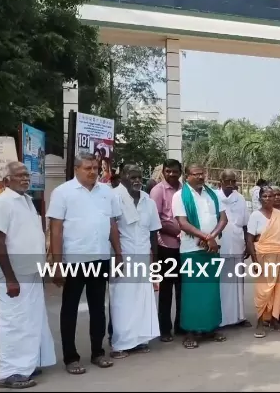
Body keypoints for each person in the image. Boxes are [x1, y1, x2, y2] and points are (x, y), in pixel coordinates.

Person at [47, 153, 123, 374]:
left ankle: (98, 352)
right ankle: (71, 358)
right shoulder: (63, 192)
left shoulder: (106, 192)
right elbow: (56, 230)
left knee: (98, 308)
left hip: (100, 258)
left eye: (95, 168)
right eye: (87, 168)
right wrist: (57, 264)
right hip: (74, 260)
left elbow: (112, 225)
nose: (92, 172)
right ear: (76, 169)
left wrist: (118, 254)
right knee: (70, 309)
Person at [0, 162, 56, 388]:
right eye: (19, 175)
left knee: (31, 320)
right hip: (14, 275)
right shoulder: (2, 202)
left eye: (26, 174)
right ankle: (8, 373)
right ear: (6, 181)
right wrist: (10, 278)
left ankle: (25, 365)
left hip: (32, 272)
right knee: (14, 322)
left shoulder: (27, 200)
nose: (25, 178)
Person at [171, 164, 229, 349]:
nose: (200, 177)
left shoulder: (213, 194)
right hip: (191, 250)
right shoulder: (179, 196)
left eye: (202, 173)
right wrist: (205, 237)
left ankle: (210, 328)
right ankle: (190, 331)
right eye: (196, 174)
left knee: (211, 290)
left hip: (212, 248)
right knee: (192, 292)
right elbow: (182, 223)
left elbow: (223, 219)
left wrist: (211, 237)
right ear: (187, 176)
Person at [108, 165, 161, 359]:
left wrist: (154, 263)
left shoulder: (148, 201)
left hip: (143, 257)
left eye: (139, 177)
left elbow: (153, 233)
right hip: (122, 256)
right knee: (121, 301)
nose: (137, 180)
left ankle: (139, 341)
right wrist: (117, 256)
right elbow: (110, 228)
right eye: (132, 177)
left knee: (142, 300)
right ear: (123, 177)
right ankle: (120, 344)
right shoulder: (113, 197)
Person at [246, 186, 280, 338]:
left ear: (274, 198)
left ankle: (274, 320)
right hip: (262, 255)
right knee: (263, 291)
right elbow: (249, 239)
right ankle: (260, 322)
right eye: (265, 196)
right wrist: (254, 261)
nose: (268, 198)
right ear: (260, 198)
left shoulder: (279, 215)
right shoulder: (255, 215)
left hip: (279, 255)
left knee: (279, 290)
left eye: (271, 196)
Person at [149, 159, 184, 342]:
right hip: (166, 246)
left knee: (182, 288)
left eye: (175, 171)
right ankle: (164, 328)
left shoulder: (184, 190)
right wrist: (177, 232)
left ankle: (181, 325)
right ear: (163, 172)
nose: (171, 174)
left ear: (180, 172)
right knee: (166, 290)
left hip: (184, 247)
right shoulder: (158, 190)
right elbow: (155, 220)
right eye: (168, 171)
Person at [216, 169, 252, 328]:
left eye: (233, 181)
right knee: (221, 282)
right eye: (227, 181)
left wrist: (248, 245)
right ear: (221, 182)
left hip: (237, 242)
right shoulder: (214, 197)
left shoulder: (240, 198)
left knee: (237, 281)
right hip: (220, 244)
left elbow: (245, 224)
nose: (230, 184)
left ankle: (239, 317)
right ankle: (221, 319)